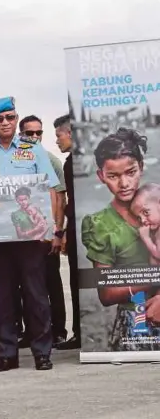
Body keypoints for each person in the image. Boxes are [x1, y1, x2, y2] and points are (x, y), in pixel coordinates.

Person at [0, 97, 61, 371]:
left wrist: (55, 229)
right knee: (3, 296)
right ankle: (7, 352)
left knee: (36, 294)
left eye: (10, 117)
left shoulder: (33, 151)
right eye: (0, 119)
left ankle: (42, 352)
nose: (6, 123)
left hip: (32, 238)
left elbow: (52, 190)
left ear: (15, 118)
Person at [80, 127, 160, 351]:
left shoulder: (158, 203)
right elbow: (106, 293)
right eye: (113, 176)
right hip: (135, 321)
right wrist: (153, 279)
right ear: (101, 176)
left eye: (131, 172)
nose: (124, 183)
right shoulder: (100, 225)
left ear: (141, 168)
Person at [17, 115, 69, 347]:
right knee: (26, 286)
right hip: (23, 236)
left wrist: (57, 232)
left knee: (51, 283)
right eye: (30, 133)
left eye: (39, 133)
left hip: (46, 234)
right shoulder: (15, 161)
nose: (35, 137)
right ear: (21, 135)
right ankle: (32, 331)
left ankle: (58, 330)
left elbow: (60, 197)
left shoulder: (51, 161)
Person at [53, 114, 82, 351]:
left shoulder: (74, 162)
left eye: (58, 135)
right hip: (79, 226)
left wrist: (64, 232)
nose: (57, 141)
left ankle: (81, 334)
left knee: (77, 280)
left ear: (70, 133)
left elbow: (73, 201)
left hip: (78, 227)